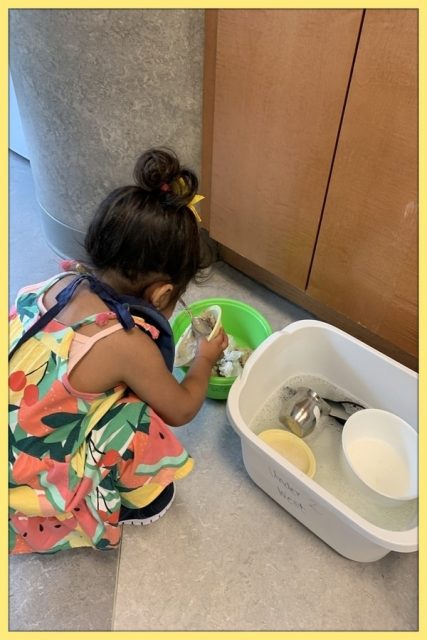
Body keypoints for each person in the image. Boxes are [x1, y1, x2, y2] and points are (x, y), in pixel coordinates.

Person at [8, 147, 228, 554]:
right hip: (29, 467)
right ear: (162, 292)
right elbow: (179, 410)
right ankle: (118, 502)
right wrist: (204, 359)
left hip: (18, 414)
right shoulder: (125, 342)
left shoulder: (64, 282)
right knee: (138, 419)